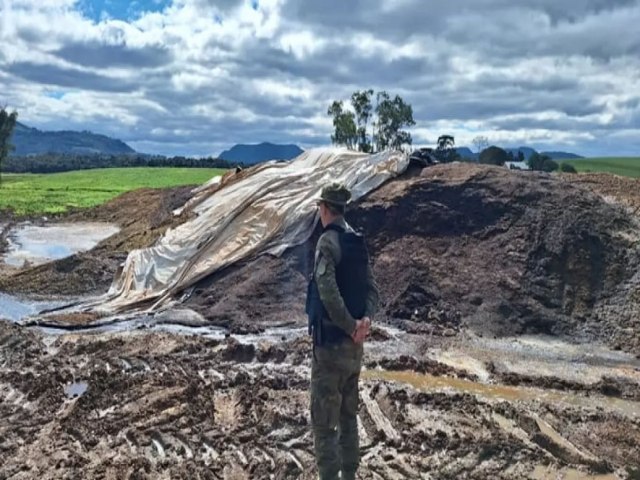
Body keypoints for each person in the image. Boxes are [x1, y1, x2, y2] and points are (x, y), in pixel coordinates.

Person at [305, 183, 380, 480]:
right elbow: (372, 289)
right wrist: (366, 322)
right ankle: (350, 474)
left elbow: (328, 293)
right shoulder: (356, 242)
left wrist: (351, 326)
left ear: (325, 208)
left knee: (324, 422)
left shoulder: (327, 243)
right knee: (349, 415)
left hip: (332, 346)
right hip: (354, 349)